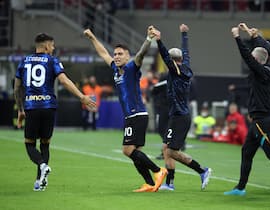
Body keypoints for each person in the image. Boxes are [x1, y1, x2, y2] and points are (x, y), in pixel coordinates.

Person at [83, 26, 167, 193]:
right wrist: (92, 36)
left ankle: (158, 170)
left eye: (120, 54)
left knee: (127, 150)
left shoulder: (131, 68)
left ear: (128, 56)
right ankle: (150, 184)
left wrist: (148, 39)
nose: (116, 56)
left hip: (137, 114)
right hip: (132, 116)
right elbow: (103, 53)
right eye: (116, 54)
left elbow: (141, 54)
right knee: (136, 153)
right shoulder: (116, 69)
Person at [14, 33, 96, 191]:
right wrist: (81, 97)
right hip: (49, 107)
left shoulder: (24, 61)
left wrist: (20, 109)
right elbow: (64, 81)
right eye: (52, 45)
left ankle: (42, 166)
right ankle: (40, 181)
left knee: (29, 144)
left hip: (31, 106)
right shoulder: (52, 61)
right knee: (45, 144)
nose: (53, 48)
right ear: (45, 46)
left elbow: (17, 88)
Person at [224, 25, 270, 196]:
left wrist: (237, 37)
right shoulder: (265, 72)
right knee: (247, 152)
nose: (250, 61)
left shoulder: (262, 72)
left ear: (257, 61)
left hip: (263, 120)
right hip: (259, 119)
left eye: (252, 59)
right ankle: (240, 188)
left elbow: (247, 57)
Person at [153, 24, 212, 191]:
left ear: (171, 62)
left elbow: (165, 56)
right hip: (177, 114)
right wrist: (184, 34)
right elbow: (186, 52)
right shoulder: (185, 66)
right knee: (166, 148)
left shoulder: (176, 71)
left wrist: (159, 40)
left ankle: (202, 170)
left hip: (180, 116)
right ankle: (170, 183)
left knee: (171, 151)